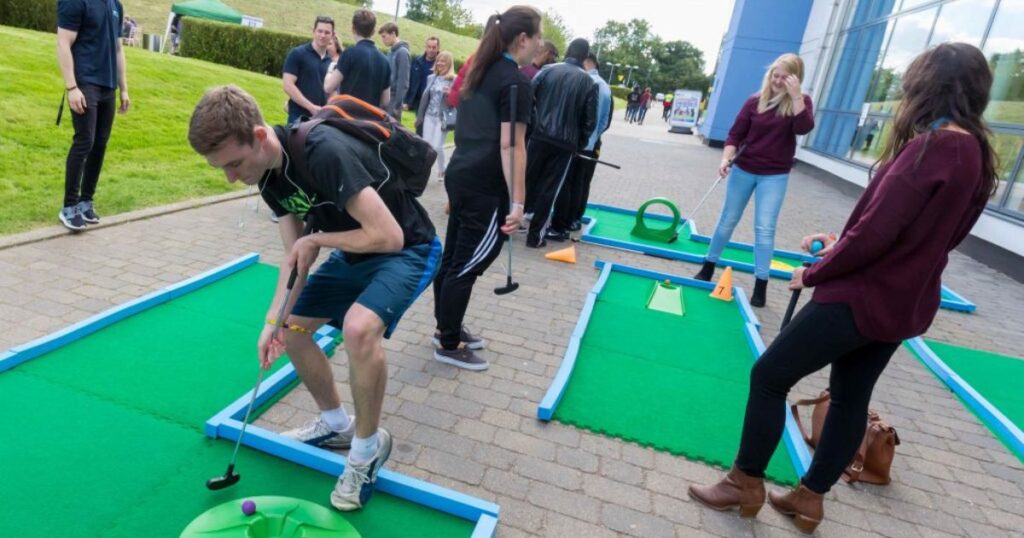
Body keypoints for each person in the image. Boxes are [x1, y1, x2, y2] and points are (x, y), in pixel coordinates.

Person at [688, 43, 997, 535]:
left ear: (929, 87)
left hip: (862, 295)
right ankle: (809, 500)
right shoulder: (977, 154)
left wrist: (813, 273)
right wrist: (842, 243)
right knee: (851, 396)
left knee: (769, 376)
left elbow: (877, 234)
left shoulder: (931, 149)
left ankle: (744, 483)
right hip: (906, 299)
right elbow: (926, 232)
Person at [187, 85, 440, 511]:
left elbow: (389, 236)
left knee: (360, 329)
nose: (231, 177)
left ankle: (366, 451)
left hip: (408, 247)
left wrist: (318, 237)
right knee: (294, 331)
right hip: (357, 250)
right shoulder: (267, 175)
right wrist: (272, 323)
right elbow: (296, 259)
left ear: (261, 136)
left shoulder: (324, 151)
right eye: (222, 169)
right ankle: (336, 425)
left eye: (233, 163)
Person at [432, 6, 540, 369]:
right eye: (537, 37)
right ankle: (448, 342)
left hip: (462, 175)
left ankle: (445, 328)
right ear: (522, 39)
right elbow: (512, 145)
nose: (539, 44)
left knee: (453, 260)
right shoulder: (515, 81)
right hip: (485, 184)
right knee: (468, 264)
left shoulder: (480, 69)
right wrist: (518, 202)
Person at [692, 53, 815, 308]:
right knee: (727, 219)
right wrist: (725, 160)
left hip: (775, 175)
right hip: (744, 169)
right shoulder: (754, 101)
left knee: (765, 228)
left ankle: (761, 284)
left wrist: (795, 97)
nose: (777, 81)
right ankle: (708, 266)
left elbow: (803, 128)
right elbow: (734, 135)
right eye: (775, 75)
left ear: (795, 79)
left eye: (784, 77)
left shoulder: (800, 103)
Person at [57, 0, 130, 231]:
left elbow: (118, 50)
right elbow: (63, 42)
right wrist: (71, 88)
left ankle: (85, 201)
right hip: (85, 82)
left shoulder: (115, 5)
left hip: (108, 85)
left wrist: (124, 88)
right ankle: (69, 206)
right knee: (84, 141)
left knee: (100, 144)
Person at [523, 38, 597, 247]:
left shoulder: (547, 70)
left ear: (567, 51)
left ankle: (506, 222)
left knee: (526, 179)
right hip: (566, 143)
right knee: (550, 188)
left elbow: (527, 98)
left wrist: (530, 128)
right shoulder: (588, 82)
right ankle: (535, 235)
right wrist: (579, 142)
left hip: (539, 136)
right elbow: (589, 120)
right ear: (584, 57)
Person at [564, 52, 612, 231]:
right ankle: (574, 217)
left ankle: (572, 218)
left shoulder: (592, 83)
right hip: (592, 143)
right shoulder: (604, 85)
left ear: (587, 62)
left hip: (583, 143)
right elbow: (605, 121)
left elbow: (592, 119)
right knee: (582, 181)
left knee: (576, 181)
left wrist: (585, 139)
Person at [323, 9, 391, 107]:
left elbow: (328, 87)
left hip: (348, 117)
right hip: (370, 119)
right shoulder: (385, 61)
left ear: (353, 29)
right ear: (373, 31)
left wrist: (330, 70)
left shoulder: (349, 54)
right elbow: (385, 101)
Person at [283, 16, 335, 125]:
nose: (322, 35)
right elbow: (288, 85)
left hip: (320, 120)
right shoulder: (297, 54)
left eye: (327, 32)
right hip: (297, 117)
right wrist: (310, 107)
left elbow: (331, 92)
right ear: (313, 31)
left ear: (332, 35)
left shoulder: (330, 61)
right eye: (320, 31)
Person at [416, 51, 456, 181]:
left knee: (438, 146)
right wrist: (419, 116)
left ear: (449, 63)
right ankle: (423, 171)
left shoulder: (453, 80)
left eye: (443, 61)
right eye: (438, 60)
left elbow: (458, 100)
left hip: (442, 117)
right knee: (427, 145)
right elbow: (425, 98)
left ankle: (442, 168)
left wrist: (450, 94)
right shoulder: (431, 78)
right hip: (429, 115)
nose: (440, 63)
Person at [407, 36, 440, 133]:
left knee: (430, 130)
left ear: (438, 48)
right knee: (420, 127)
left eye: (434, 47)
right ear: (425, 47)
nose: (431, 50)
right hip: (419, 101)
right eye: (429, 47)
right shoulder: (417, 61)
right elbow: (410, 79)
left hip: (433, 101)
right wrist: (407, 100)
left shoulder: (441, 63)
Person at [379, 22, 410, 121]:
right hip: (385, 99)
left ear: (393, 34)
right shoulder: (390, 52)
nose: (382, 40)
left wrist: (396, 106)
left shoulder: (403, 52)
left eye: (384, 36)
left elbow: (403, 82)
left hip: (393, 103)